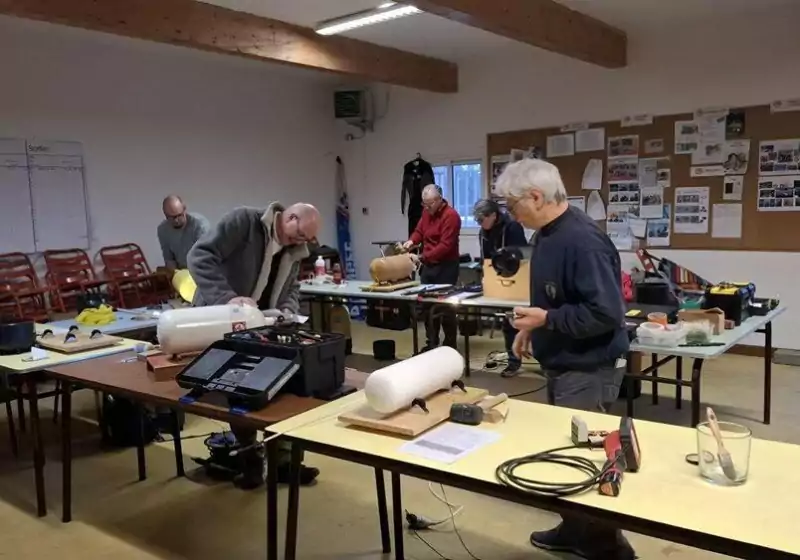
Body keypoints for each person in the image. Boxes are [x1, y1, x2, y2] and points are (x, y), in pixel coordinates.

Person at [495, 159, 633, 560]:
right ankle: (574, 529)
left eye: (513, 205)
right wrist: (532, 327)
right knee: (565, 451)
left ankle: (609, 546)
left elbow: (606, 314)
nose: (511, 214)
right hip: (564, 360)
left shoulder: (583, 241)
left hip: (589, 366)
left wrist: (548, 320)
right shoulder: (546, 235)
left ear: (536, 197)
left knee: (586, 457)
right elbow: (553, 299)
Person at [187, 202, 321, 490]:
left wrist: (287, 310)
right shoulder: (244, 222)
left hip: (265, 324)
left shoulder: (295, 249)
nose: (301, 243)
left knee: (286, 386)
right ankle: (250, 462)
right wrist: (227, 298)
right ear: (289, 217)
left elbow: (292, 287)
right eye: (300, 235)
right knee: (241, 391)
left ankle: (285, 463)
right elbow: (199, 257)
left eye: (307, 239)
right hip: (224, 319)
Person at [473, 198, 528, 377]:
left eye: (482, 220)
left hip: (516, 278)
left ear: (493, 215)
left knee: (519, 322)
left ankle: (535, 359)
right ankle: (513, 361)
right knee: (507, 322)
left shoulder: (512, 228)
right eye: (477, 221)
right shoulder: (483, 232)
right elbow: (485, 258)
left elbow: (523, 254)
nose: (480, 224)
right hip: (497, 278)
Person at [403, 185, 461, 352]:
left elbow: (445, 246)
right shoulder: (426, 212)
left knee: (446, 307)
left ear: (439, 200)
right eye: (424, 204)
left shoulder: (451, 216)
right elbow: (419, 231)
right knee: (427, 306)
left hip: (446, 266)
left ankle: (450, 345)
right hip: (429, 266)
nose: (426, 208)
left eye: (429, 204)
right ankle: (432, 343)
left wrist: (421, 257)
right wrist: (412, 241)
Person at [157, 195, 210, 272]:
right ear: (165, 215)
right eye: (172, 217)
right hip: (182, 272)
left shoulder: (199, 225)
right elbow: (169, 260)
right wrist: (175, 274)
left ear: (184, 209)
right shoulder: (163, 230)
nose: (176, 220)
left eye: (179, 215)